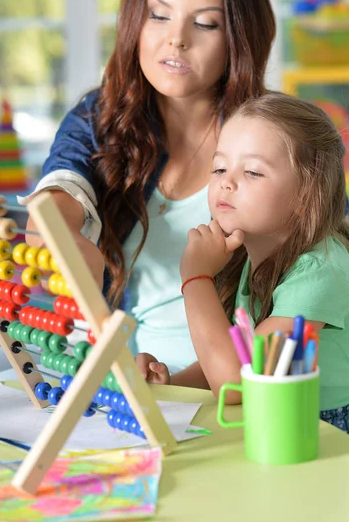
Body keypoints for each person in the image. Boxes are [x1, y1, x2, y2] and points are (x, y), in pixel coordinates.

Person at [0, 0, 275, 382]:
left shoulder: (276, 138)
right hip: (116, 371)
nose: (175, 40)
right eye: (158, 15)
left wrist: (168, 385)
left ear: (241, 36)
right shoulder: (100, 118)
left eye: (205, 23)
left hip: (224, 382)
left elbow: (286, 322)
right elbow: (60, 191)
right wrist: (58, 241)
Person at [145, 92, 349, 432]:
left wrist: (195, 279)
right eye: (220, 167)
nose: (226, 181)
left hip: (322, 433)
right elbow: (232, 357)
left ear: (306, 193)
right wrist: (171, 385)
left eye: (253, 172)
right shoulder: (245, 259)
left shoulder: (320, 271)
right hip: (274, 420)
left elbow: (234, 382)